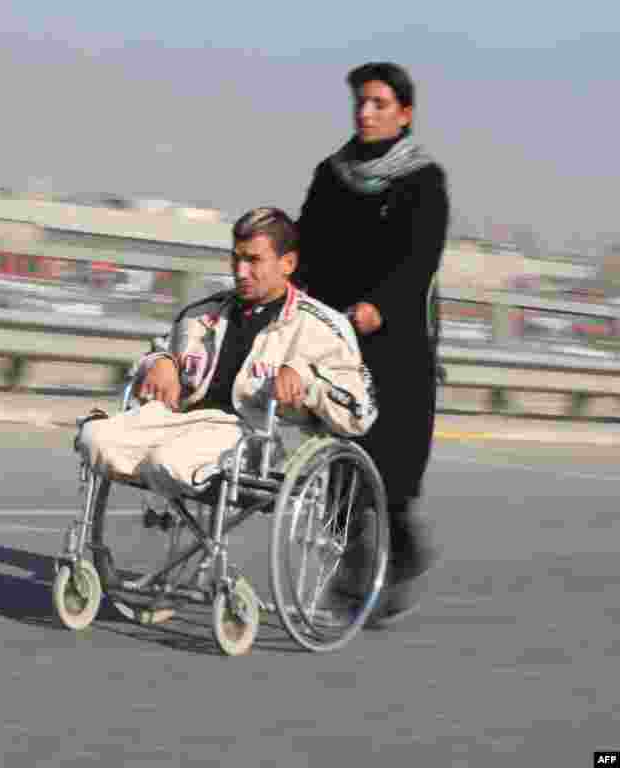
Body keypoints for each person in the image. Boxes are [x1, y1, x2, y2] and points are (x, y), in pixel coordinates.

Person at [77, 207, 378, 586]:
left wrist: (307, 379)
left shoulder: (322, 327)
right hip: (178, 422)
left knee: (167, 461)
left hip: (250, 438)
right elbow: (158, 350)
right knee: (94, 437)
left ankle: (185, 542)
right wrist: (162, 361)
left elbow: (361, 410)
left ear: (287, 263)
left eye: (254, 261)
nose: (240, 271)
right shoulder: (202, 315)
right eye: (236, 258)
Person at [295, 62, 450, 626]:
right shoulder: (331, 173)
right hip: (334, 334)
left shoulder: (423, 180)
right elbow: (304, 243)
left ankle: (393, 559)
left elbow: (420, 258)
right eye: (361, 102)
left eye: (380, 103)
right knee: (337, 456)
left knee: (388, 470)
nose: (366, 112)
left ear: (404, 114)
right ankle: (355, 572)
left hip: (395, 342)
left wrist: (378, 305)